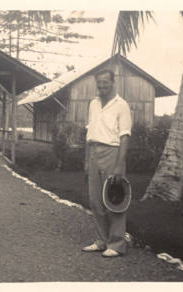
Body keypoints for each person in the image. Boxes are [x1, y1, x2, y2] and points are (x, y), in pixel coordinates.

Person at [81, 69, 132, 258]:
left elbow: (125, 136)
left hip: (112, 152)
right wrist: (87, 160)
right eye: (99, 83)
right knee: (95, 200)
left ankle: (117, 244)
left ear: (113, 82)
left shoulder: (122, 105)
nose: (102, 86)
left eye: (105, 82)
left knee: (113, 200)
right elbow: (90, 133)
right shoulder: (93, 104)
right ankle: (102, 241)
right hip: (93, 151)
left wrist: (119, 164)